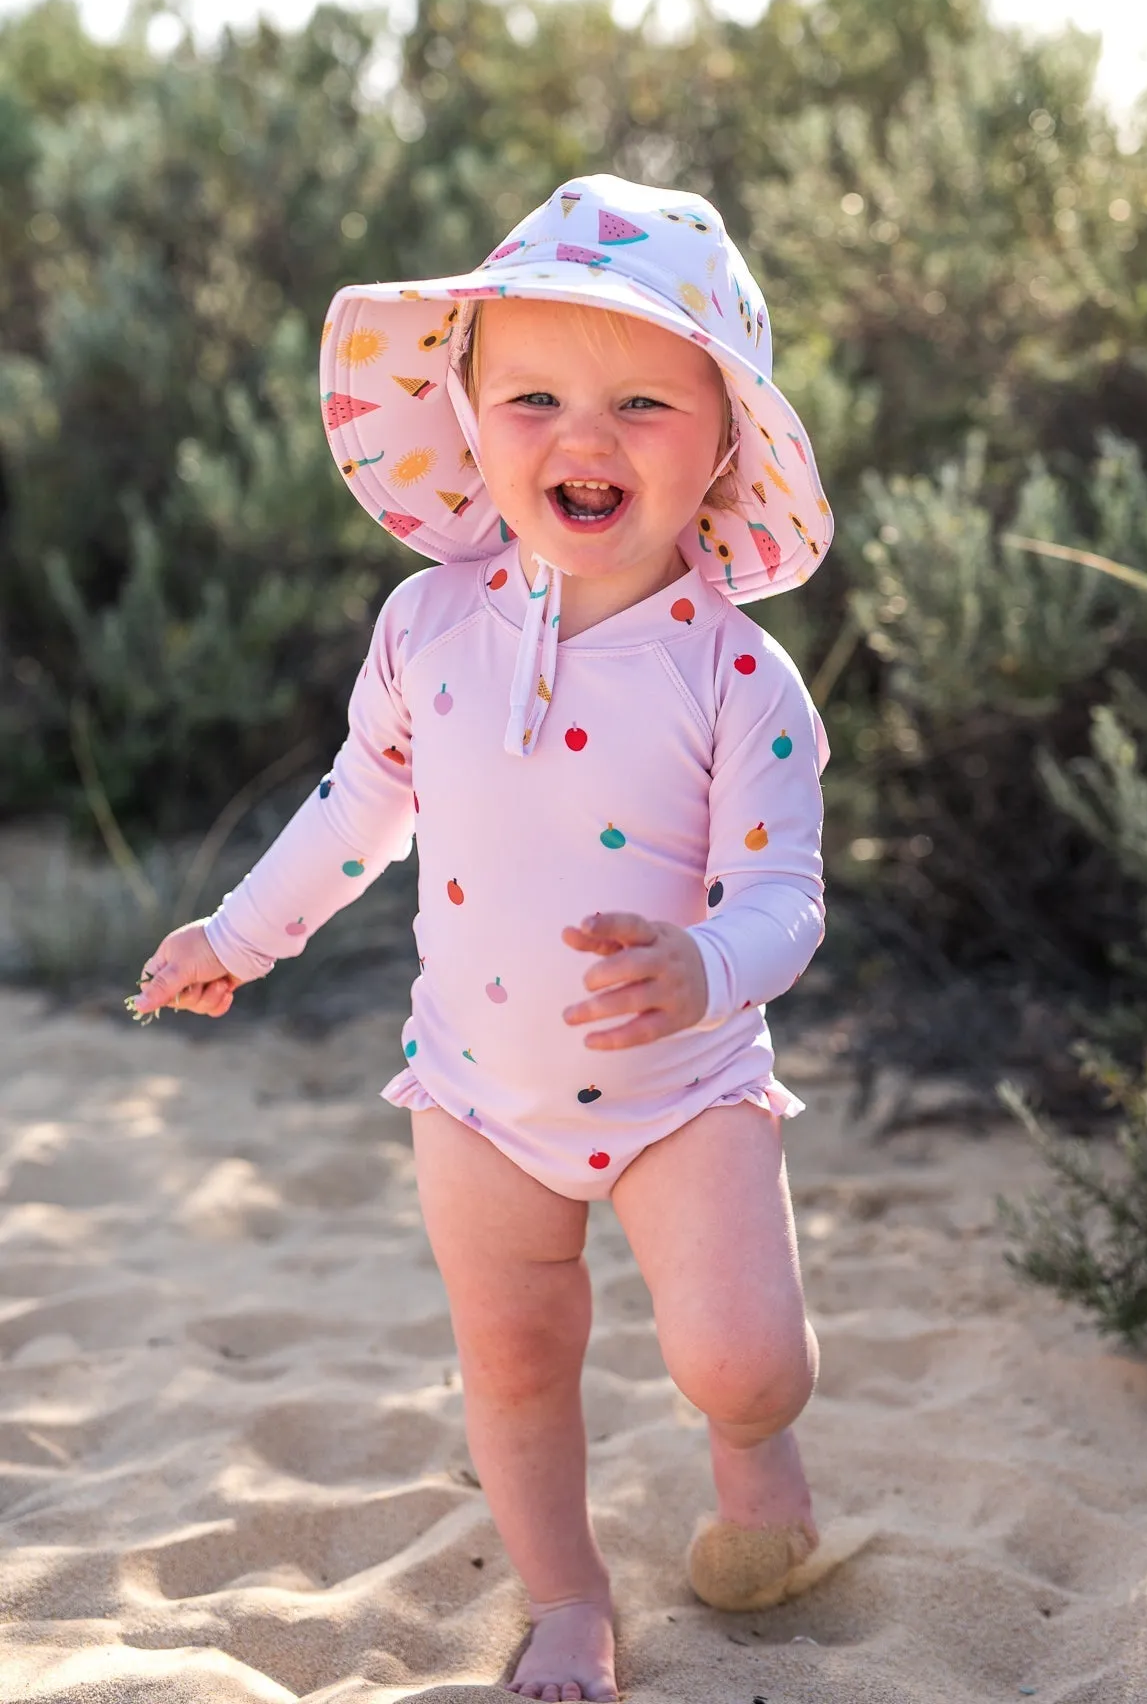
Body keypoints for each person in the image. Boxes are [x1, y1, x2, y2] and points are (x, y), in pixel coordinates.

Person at [132, 173, 835, 1702]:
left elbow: (788, 901)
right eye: (533, 397)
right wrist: (241, 937)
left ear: (724, 443)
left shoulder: (740, 677)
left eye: (643, 401)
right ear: (463, 415)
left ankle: (755, 1453)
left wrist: (704, 965)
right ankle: (569, 1598)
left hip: (683, 1090)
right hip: (471, 1091)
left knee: (741, 1358)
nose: (582, 440)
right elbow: (352, 811)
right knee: (514, 1360)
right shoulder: (425, 630)